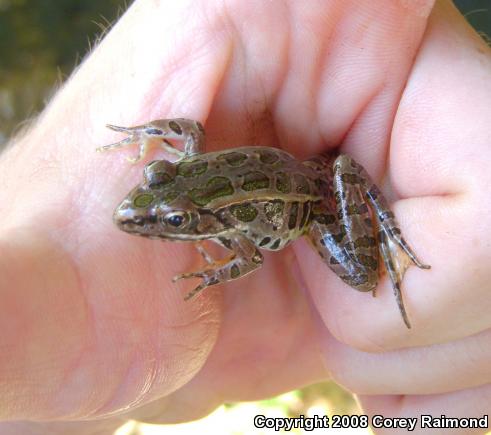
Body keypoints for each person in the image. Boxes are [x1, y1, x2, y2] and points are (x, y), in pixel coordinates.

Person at [0, 0, 490, 433]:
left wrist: (215, 272)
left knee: (365, 280)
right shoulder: (188, 158)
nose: (138, 211)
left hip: (311, 208)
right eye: (156, 180)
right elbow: (190, 129)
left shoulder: (222, 216)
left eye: (175, 223)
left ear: (199, 223)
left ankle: (386, 230)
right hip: (304, 165)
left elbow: (250, 256)